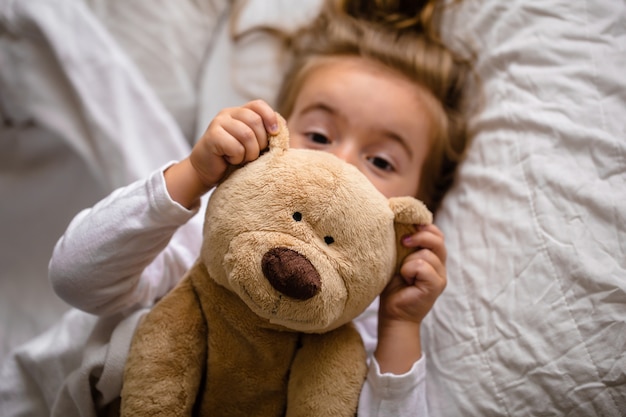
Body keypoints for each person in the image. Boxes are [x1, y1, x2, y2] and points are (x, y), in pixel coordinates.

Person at [49, 0, 471, 415]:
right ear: (278, 135)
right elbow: (75, 280)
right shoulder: (213, 235)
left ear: (416, 205)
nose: (336, 166)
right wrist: (192, 175)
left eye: (380, 162)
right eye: (320, 136)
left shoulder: (381, 312)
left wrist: (400, 326)